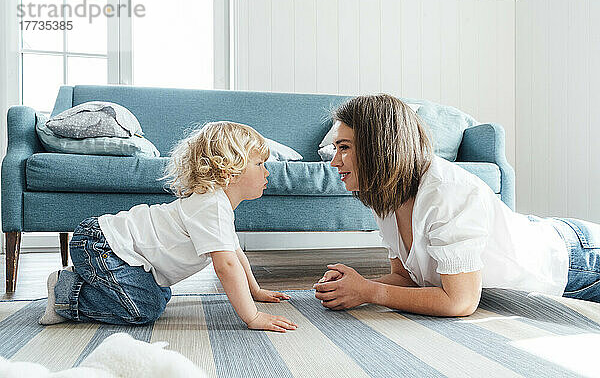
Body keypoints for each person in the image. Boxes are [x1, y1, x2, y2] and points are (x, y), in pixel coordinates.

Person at [314, 94, 600, 316]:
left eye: (344, 147)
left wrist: (369, 292)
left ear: (377, 146)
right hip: (540, 235)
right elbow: (407, 279)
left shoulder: (447, 192)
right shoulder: (385, 196)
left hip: (577, 260)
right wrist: (354, 286)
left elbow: (459, 302)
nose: (334, 161)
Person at [39, 121, 298, 332]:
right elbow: (226, 266)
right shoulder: (212, 205)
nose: (267, 172)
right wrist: (252, 317)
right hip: (102, 244)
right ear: (229, 171)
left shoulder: (218, 204)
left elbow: (234, 253)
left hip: (113, 248)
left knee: (159, 297)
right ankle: (66, 291)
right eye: (259, 164)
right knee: (143, 310)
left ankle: (92, 282)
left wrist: (255, 290)